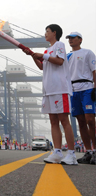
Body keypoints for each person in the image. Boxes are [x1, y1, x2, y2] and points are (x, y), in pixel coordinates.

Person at [23, 24, 77, 165]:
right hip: (48, 90)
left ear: (54, 33)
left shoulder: (59, 45)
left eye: (47, 31)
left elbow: (59, 61)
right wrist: (33, 56)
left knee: (64, 120)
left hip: (60, 88)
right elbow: (42, 66)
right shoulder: (48, 50)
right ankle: (57, 152)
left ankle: (71, 154)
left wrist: (43, 55)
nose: (45, 34)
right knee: (53, 121)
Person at [66, 31, 96, 164]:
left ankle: (95, 151)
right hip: (74, 91)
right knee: (81, 122)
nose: (70, 40)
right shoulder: (67, 56)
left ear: (80, 40)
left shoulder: (88, 53)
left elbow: (94, 71)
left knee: (90, 120)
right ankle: (88, 152)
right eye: (69, 39)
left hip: (87, 88)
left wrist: (95, 88)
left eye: (73, 38)